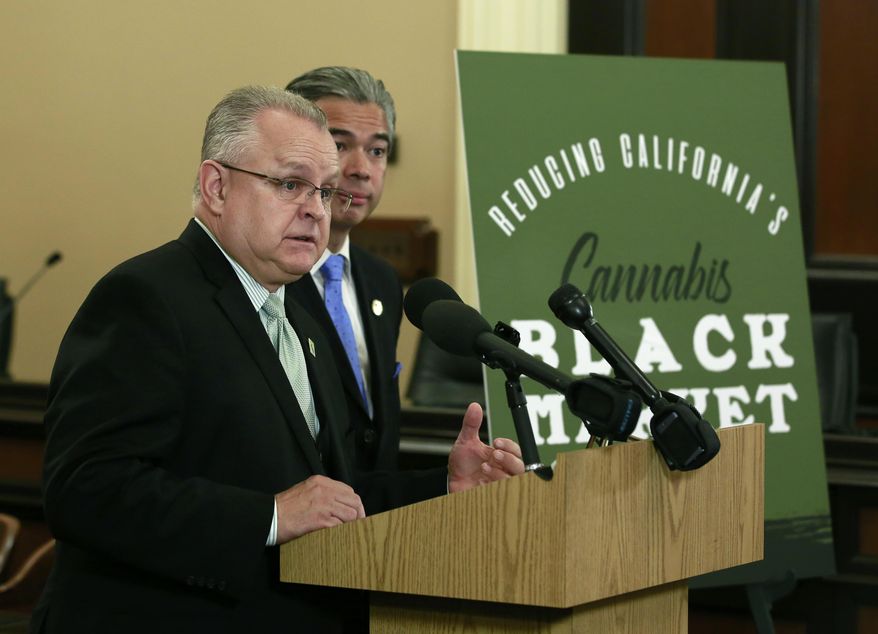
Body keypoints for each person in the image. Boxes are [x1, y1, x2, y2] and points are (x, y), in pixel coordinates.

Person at [32, 86, 523, 633]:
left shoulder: (300, 319)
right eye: (290, 185)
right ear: (215, 186)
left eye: (323, 191)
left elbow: (328, 495)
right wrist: (268, 517)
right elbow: (84, 489)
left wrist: (442, 487)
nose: (315, 210)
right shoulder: (146, 298)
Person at [284, 67, 403, 471]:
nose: (361, 169)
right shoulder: (267, 279)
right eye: (339, 145)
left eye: (377, 151)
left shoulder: (382, 281)